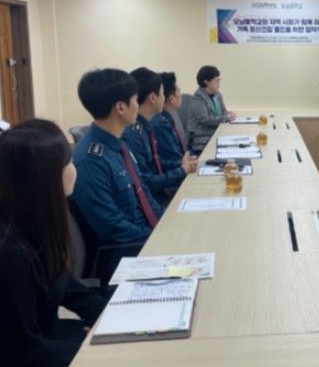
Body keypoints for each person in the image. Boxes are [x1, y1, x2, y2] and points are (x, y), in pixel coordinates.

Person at [0, 119, 105, 367]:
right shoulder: (9, 252)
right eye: (68, 162)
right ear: (45, 177)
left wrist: (111, 319)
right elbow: (23, 352)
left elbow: (67, 286)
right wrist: (90, 350)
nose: (74, 168)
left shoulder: (33, 222)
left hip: (50, 341)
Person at [72, 68, 162, 248]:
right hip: (130, 248)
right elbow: (113, 228)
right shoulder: (90, 160)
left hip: (147, 234)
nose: (138, 105)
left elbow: (143, 190)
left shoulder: (119, 144)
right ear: (121, 107)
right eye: (135, 99)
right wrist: (158, 236)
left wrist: (165, 221)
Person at [122, 68, 197, 206]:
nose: (165, 97)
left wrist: (180, 164)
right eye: (162, 93)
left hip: (160, 192)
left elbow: (155, 161)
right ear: (152, 98)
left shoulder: (145, 126)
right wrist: (181, 170)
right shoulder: (133, 134)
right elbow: (147, 182)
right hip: (156, 199)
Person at [187, 65, 237, 154]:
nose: (219, 83)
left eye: (219, 80)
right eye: (216, 80)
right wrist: (226, 118)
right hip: (202, 139)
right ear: (206, 82)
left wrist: (230, 114)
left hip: (215, 133)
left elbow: (224, 112)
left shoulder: (217, 94)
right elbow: (205, 119)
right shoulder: (198, 97)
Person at [151, 72, 190, 164]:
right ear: (171, 99)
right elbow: (174, 157)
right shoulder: (159, 123)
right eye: (179, 92)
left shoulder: (169, 115)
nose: (181, 95)